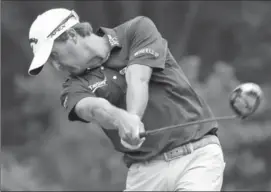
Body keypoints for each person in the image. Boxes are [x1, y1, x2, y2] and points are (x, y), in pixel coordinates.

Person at [27, 8, 226, 191]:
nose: (57, 66)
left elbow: (138, 78)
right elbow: (95, 109)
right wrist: (120, 118)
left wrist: (133, 118)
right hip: (144, 173)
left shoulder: (136, 30)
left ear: (71, 35)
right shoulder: (72, 87)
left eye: (54, 55)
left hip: (197, 156)